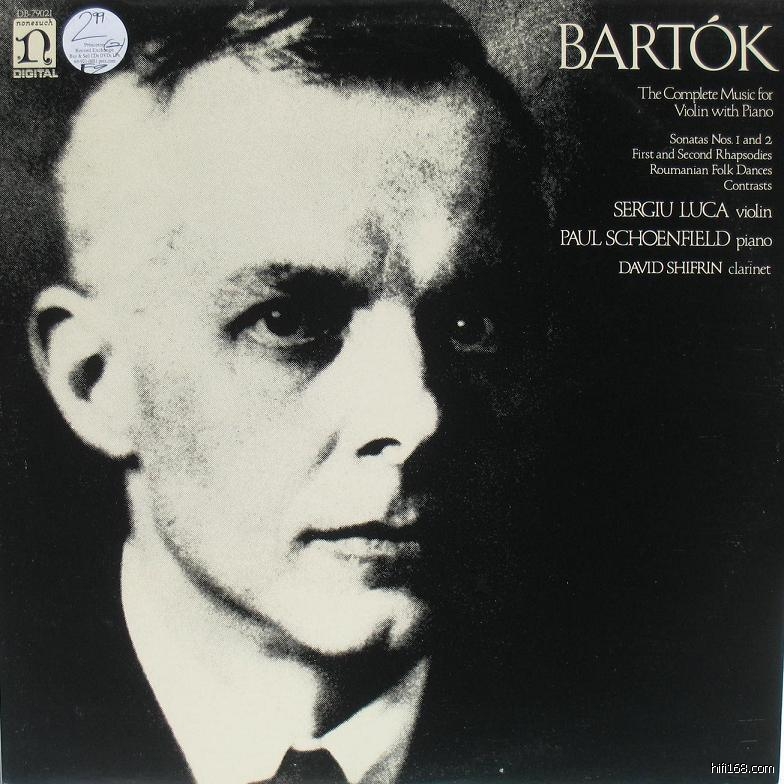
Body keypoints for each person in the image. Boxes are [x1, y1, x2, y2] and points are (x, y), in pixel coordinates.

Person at [4, 2, 551, 782]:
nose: (417, 415)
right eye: (289, 322)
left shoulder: (652, 724)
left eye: (470, 325)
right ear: (96, 380)